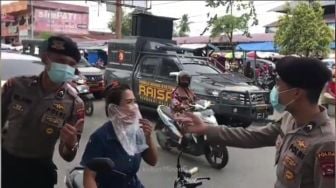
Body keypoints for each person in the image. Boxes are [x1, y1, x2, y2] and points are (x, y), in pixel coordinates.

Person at [175, 56, 335, 188]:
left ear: (296, 93)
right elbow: (252, 136)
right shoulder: (290, 120)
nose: (275, 89)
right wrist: (206, 129)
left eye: (279, 84)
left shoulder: (325, 143)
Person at [1, 35, 85, 188]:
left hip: (39, 172)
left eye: (71, 64)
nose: (66, 67)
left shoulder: (75, 104)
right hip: (6, 164)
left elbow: (68, 155)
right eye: (60, 61)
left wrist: (70, 144)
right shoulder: (16, 86)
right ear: (46, 59)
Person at [81, 83, 158, 188]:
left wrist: (148, 137)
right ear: (114, 108)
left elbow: (152, 161)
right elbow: (89, 176)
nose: (135, 107)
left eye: (134, 102)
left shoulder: (136, 132)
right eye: (129, 102)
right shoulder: (100, 137)